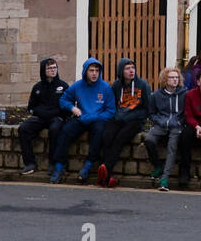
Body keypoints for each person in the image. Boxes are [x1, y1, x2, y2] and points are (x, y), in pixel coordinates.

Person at [50, 58, 116, 184]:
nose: (94, 73)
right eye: (91, 70)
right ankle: (59, 167)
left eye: (97, 70)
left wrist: (93, 117)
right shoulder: (77, 86)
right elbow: (64, 99)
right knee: (65, 131)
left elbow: (110, 111)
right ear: (85, 71)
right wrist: (72, 108)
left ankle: (88, 166)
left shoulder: (106, 87)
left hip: (98, 119)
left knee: (98, 133)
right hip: (81, 117)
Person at [96, 57, 152, 187]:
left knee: (120, 138)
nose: (131, 71)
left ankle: (106, 168)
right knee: (107, 136)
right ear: (121, 71)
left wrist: (137, 116)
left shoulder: (143, 85)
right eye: (127, 68)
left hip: (135, 120)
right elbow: (113, 104)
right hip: (118, 118)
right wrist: (116, 116)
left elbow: (148, 108)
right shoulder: (116, 85)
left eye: (133, 68)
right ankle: (108, 176)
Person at [19, 58, 70, 175]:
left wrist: (61, 116)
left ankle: (53, 163)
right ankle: (30, 163)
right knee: (23, 128)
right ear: (43, 70)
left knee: (55, 130)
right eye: (49, 68)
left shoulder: (63, 86)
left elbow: (68, 106)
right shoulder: (37, 87)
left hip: (57, 117)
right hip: (41, 118)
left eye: (54, 67)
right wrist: (39, 112)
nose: (53, 70)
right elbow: (31, 106)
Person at [144, 68, 186, 192]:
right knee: (149, 139)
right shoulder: (156, 95)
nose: (175, 80)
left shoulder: (184, 93)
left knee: (172, 147)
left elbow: (186, 112)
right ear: (165, 80)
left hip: (176, 126)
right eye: (172, 77)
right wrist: (159, 121)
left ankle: (164, 178)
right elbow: (151, 113)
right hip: (161, 125)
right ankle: (158, 165)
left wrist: (180, 122)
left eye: (177, 77)